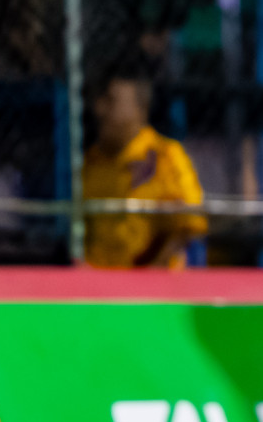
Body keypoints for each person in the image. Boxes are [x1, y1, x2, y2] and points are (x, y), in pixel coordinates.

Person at [82, 60, 206, 269]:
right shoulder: (90, 162)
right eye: (99, 100)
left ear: (141, 110)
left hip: (152, 290)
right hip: (95, 288)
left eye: (111, 101)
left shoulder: (166, 155)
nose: (100, 110)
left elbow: (188, 224)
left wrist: (151, 278)